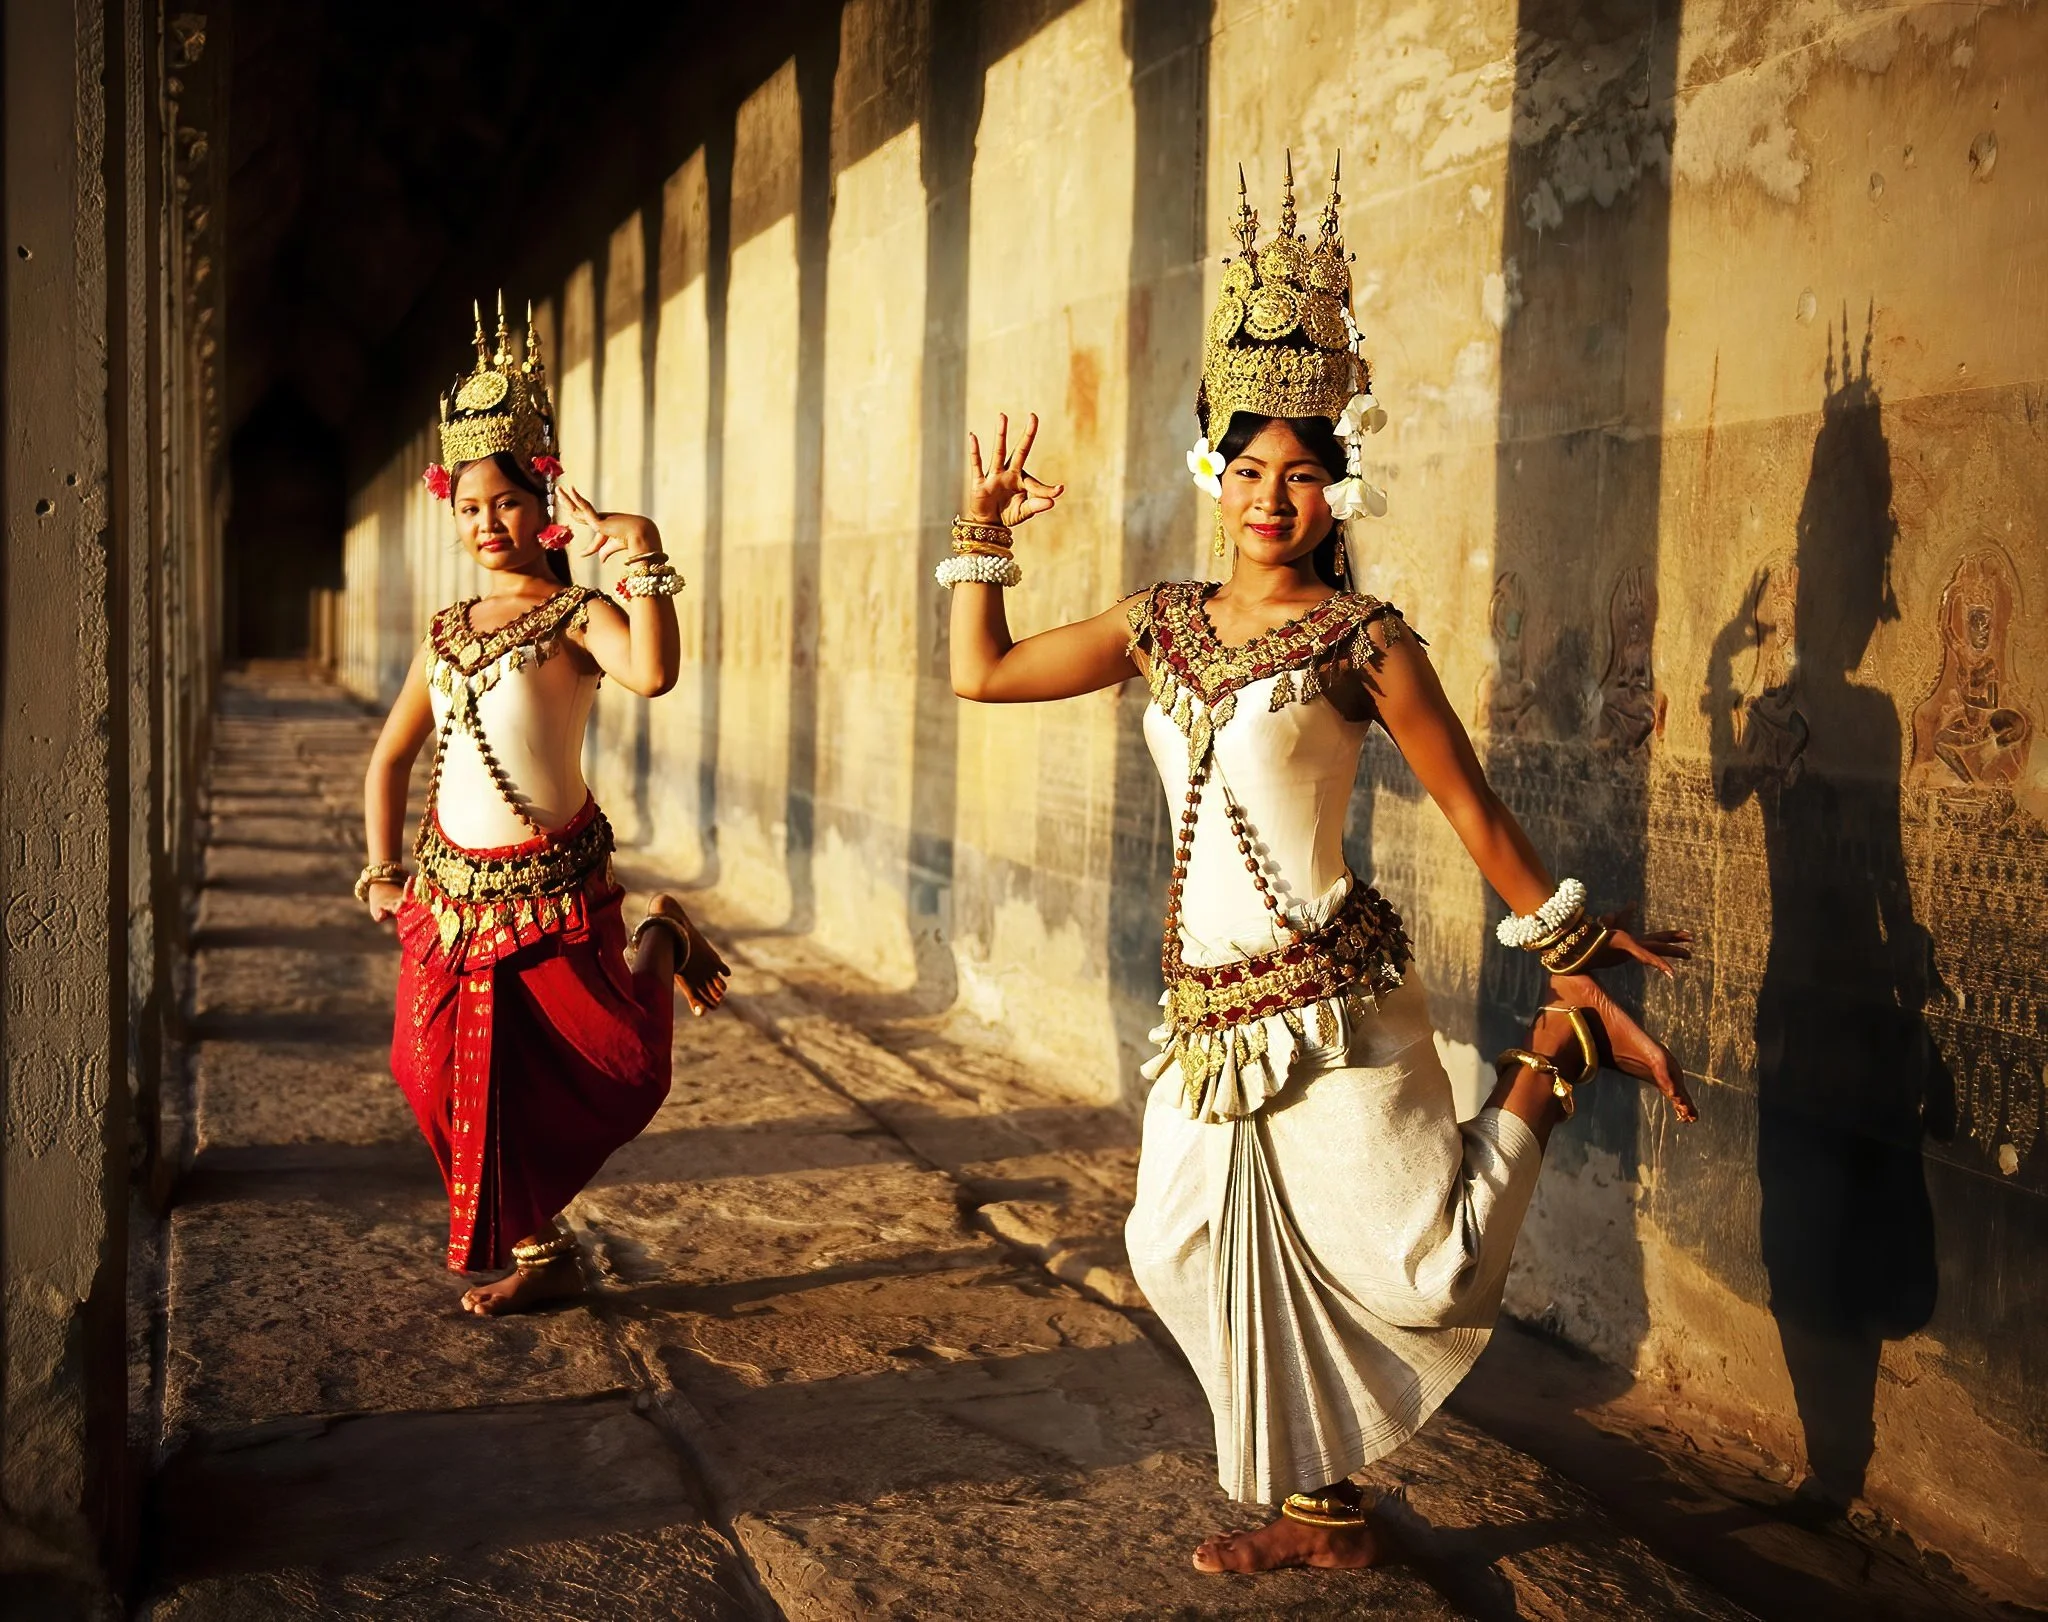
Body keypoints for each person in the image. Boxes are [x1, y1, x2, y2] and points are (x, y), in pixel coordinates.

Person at [941, 162, 1696, 1574]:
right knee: (1176, 1248)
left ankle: (1552, 1054)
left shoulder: (1366, 640)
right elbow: (980, 674)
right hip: (1206, 1021)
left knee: (1430, 1266)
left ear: (1337, 479)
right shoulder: (1157, 623)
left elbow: (1478, 820)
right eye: (1247, 468)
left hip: (1337, 1001)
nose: (1270, 494)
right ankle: (1327, 1512)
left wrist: (1582, 963)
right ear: (1211, 477)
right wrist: (983, 531)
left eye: (1299, 470)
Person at [359, 297, 729, 1318]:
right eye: (470, 509)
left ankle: (657, 941)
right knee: (427, 1069)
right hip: (445, 893)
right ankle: (541, 1244)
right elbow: (391, 756)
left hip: (552, 891)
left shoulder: (577, 613)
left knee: (614, 1070)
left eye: (508, 505)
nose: (489, 525)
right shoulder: (444, 629)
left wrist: (643, 551)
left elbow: (652, 672)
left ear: (546, 506)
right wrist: (380, 869)